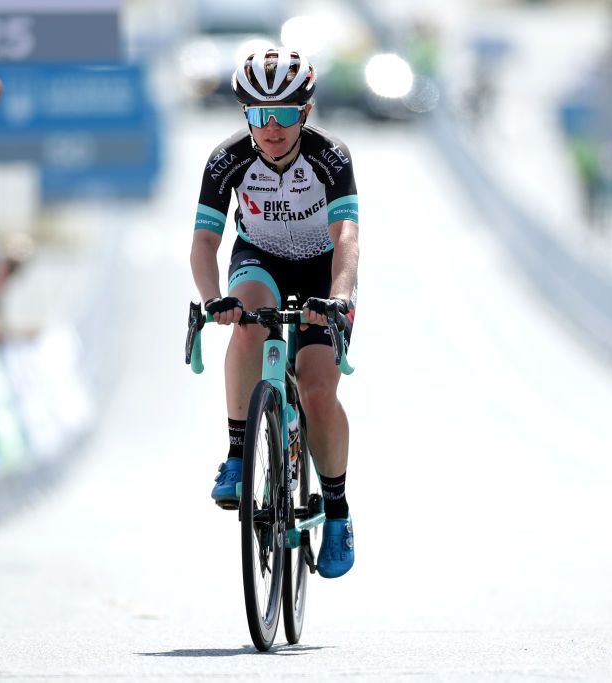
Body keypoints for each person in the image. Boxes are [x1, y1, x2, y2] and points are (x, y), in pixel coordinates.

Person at [190, 48, 359, 578]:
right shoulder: (228, 159)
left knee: (315, 390)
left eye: (284, 114)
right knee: (246, 323)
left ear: (304, 113)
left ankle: (336, 512)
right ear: (247, 116)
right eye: (260, 115)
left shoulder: (330, 157)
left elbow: (346, 237)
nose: (272, 127)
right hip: (259, 259)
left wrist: (341, 296)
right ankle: (239, 453)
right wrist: (212, 295)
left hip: (320, 272)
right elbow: (203, 241)